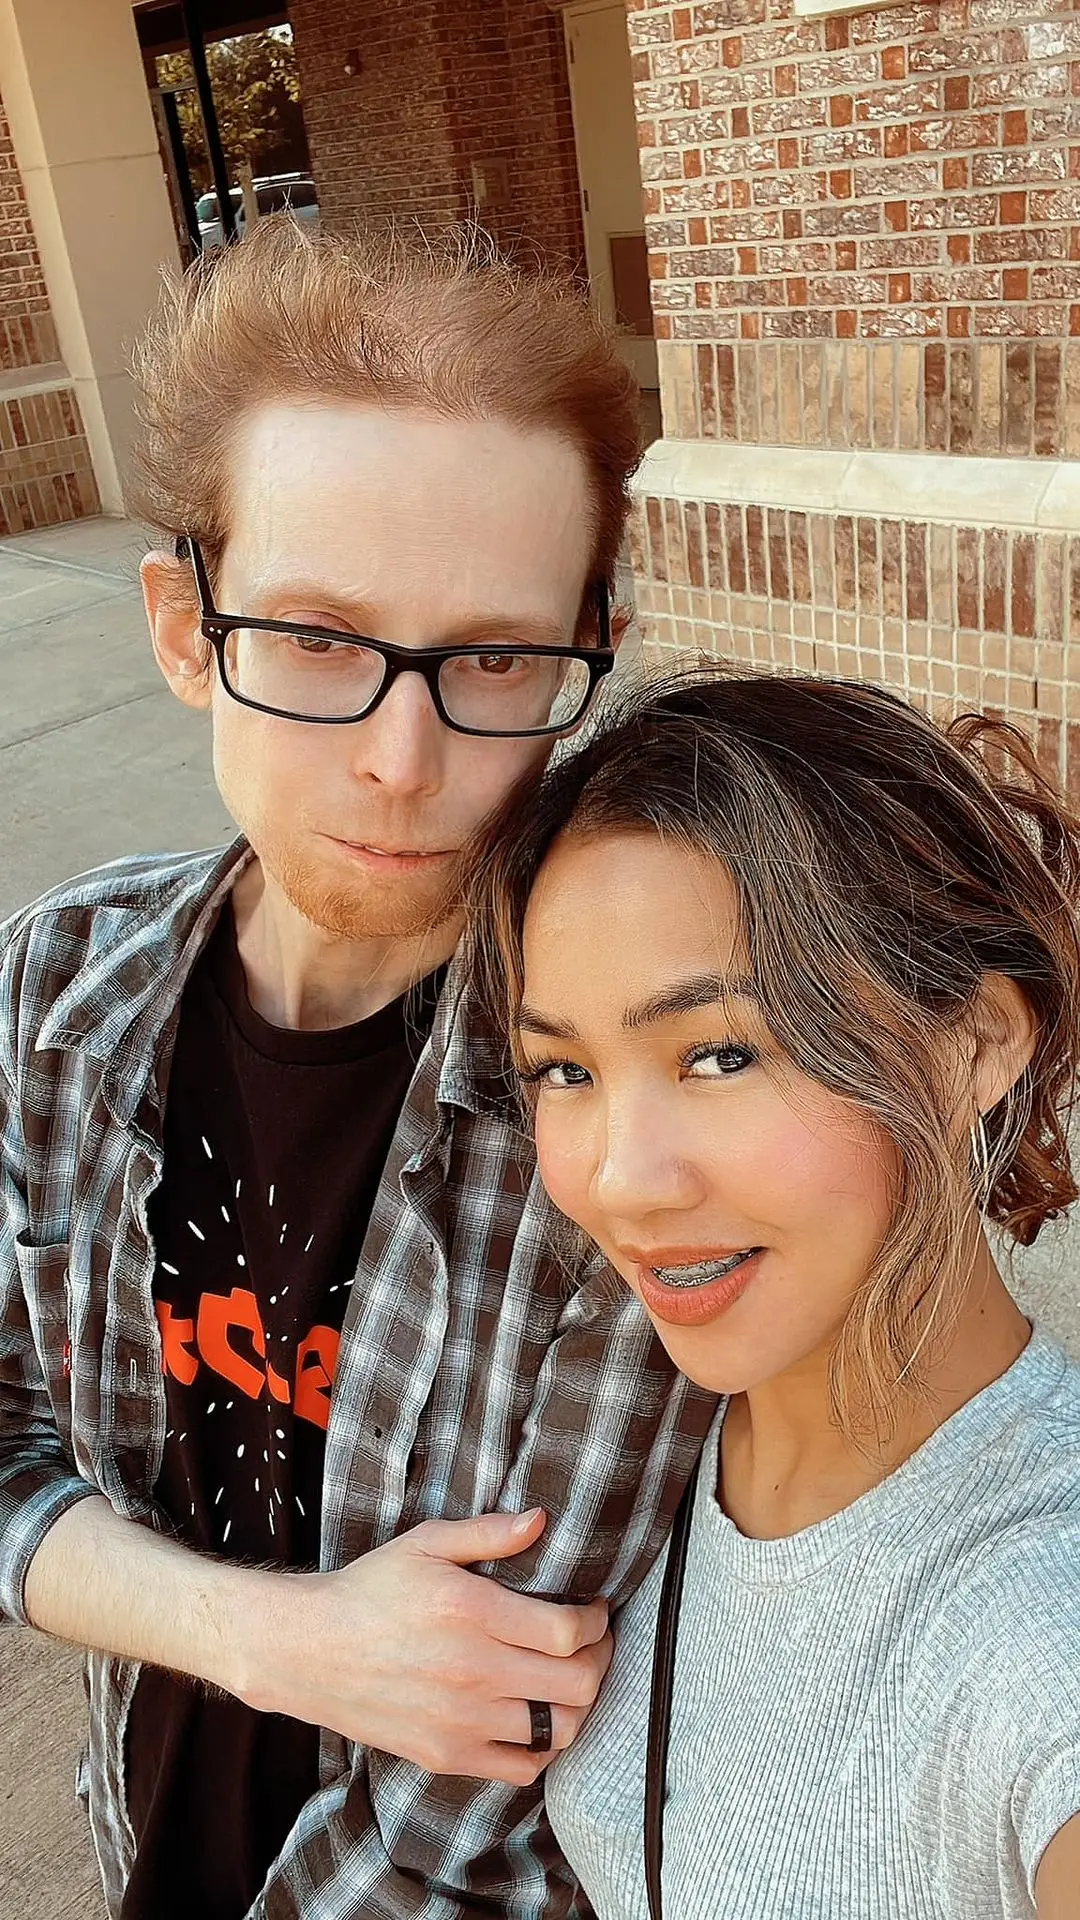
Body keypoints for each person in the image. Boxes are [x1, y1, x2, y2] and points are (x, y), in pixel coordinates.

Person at [0, 221, 713, 1920]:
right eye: (319, 639)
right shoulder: (57, 984)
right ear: (186, 628)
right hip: (144, 1824)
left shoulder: (625, 1120)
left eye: (493, 660)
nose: (404, 761)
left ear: (586, 654)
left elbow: (485, 1777)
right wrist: (276, 1638)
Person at [466, 671, 1080, 1919]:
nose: (622, 1182)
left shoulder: (1038, 1627)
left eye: (720, 1053)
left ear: (975, 1042)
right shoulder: (618, 1434)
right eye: (564, 1069)